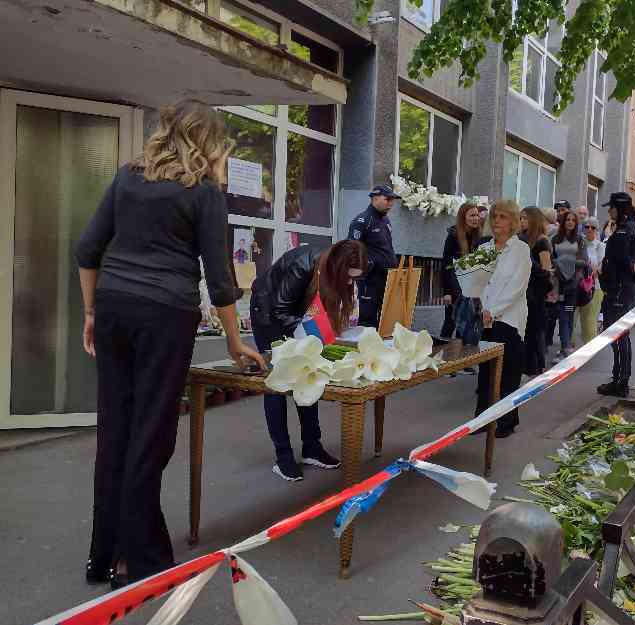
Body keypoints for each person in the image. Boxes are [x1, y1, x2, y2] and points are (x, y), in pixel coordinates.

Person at [75, 100, 266, 589]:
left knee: (115, 430)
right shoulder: (202, 191)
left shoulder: (126, 178)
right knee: (152, 434)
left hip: (115, 307)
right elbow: (220, 279)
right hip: (165, 316)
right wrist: (235, 340)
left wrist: (92, 312)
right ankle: (135, 561)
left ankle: (104, 555)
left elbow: (87, 250)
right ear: (206, 141)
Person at [250, 241, 367, 481]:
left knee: (308, 377)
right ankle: (283, 457)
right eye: (347, 277)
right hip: (268, 311)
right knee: (277, 383)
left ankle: (312, 447)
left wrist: (322, 334)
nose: (348, 283)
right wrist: (312, 334)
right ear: (337, 266)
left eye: (354, 279)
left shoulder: (335, 269)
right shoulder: (302, 265)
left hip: (296, 315)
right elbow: (280, 310)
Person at [476, 200, 531, 438]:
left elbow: (517, 286)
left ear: (513, 222)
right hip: (487, 318)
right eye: (495, 216)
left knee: (509, 372)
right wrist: (484, 308)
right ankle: (482, 418)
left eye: (503, 217)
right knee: (486, 370)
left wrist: (494, 310)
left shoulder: (521, 250)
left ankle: (508, 420)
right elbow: (479, 283)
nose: (497, 221)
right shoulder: (484, 249)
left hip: (509, 318)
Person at [597, 192, 635, 397]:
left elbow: (624, 261)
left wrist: (607, 273)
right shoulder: (627, 228)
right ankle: (618, 378)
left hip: (619, 292)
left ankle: (621, 381)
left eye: (612, 207)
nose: (609, 211)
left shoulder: (625, 231)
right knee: (617, 336)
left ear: (620, 208)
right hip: (618, 290)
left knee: (619, 336)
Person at [348, 185, 400, 328]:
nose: (391, 203)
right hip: (370, 280)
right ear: (375, 198)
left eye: (392, 200)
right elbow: (352, 250)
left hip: (387, 278)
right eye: (387, 199)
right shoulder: (362, 221)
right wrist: (369, 265)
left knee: (385, 321)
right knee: (367, 321)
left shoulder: (386, 220)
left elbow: (385, 248)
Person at [441, 203, 486, 345]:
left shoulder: (479, 237)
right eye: (472, 215)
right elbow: (446, 266)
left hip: (472, 289)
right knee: (450, 323)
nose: (476, 218)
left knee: (467, 325)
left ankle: (464, 359)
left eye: (477, 215)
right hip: (455, 288)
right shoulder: (453, 236)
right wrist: (447, 292)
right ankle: (442, 357)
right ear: (463, 217)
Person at [551, 209, 588, 362]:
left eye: (573, 220)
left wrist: (567, 260)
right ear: (563, 222)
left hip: (573, 285)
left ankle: (565, 348)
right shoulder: (555, 239)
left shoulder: (580, 239)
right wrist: (557, 263)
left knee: (568, 315)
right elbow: (550, 258)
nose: (570, 222)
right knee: (562, 315)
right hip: (558, 284)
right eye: (567, 220)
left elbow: (584, 261)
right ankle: (565, 348)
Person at [520, 206, 552, 375]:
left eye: (525, 218)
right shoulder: (523, 239)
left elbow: (546, 271)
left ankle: (534, 367)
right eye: (520, 218)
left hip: (535, 293)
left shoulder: (542, 241)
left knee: (534, 331)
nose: (522, 221)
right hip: (523, 290)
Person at [579, 216, 606, 345]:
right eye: (587, 226)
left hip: (595, 286)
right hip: (578, 286)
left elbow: (600, 267)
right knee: (573, 320)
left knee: (589, 320)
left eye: (593, 227)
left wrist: (588, 272)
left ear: (597, 230)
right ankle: (569, 347)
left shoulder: (601, 246)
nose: (589, 229)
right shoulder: (579, 243)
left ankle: (589, 347)